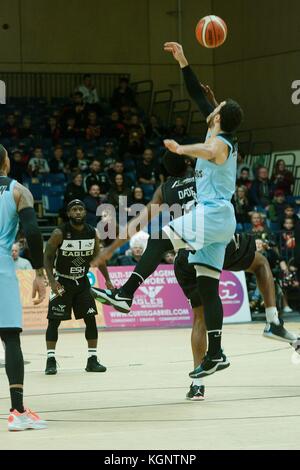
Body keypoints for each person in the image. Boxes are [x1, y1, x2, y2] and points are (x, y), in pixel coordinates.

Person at [91, 151, 297, 400]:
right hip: (213, 240)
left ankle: (197, 382)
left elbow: (138, 223)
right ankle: (272, 319)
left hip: (184, 254)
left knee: (199, 318)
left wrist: (109, 251)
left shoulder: (165, 189)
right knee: (261, 263)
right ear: (190, 163)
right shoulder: (204, 176)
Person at [94, 41, 244, 379]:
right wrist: (182, 61)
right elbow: (196, 95)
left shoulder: (222, 141)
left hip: (213, 214)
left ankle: (126, 294)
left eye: (215, 106)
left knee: (159, 239)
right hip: (221, 221)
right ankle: (217, 353)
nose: (211, 106)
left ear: (218, 116)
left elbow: (209, 150)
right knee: (208, 288)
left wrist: (180, 147)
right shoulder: (216, 126)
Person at [0, 144, 47, 431]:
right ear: (6, 163)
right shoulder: (18, 190)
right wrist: (40, 273)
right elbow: (31, 232)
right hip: (2, 268)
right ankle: (17, 411)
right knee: (10, 339)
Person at [43, 199, 113, 375]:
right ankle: (50, 360)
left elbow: (99, 256)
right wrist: (52, 281)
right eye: (74, 209)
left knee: (90, 319)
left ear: (84, 212)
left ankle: (92, 360)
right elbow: (48, 256)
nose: (78, 212)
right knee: (54, 321)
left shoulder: (92, 232)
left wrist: (108, 279)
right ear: (68, 213)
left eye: (80, 209)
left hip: (82, 281)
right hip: (63, 281)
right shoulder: (60, 232)